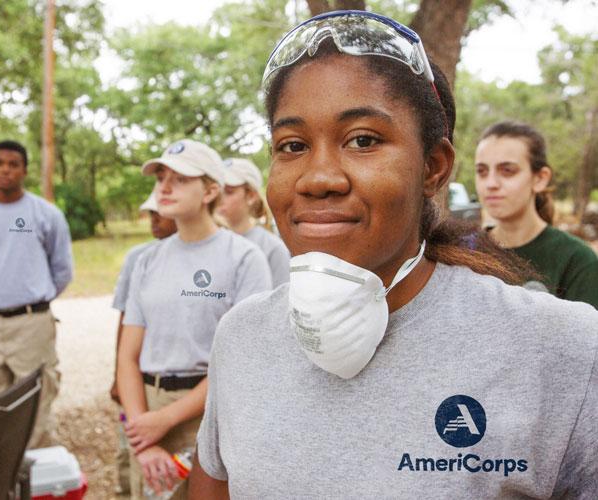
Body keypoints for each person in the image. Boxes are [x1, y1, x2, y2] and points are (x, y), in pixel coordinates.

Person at [190, 11, 597, 499]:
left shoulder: (564, 350)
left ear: (434, 167)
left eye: (363, 140)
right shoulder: (242, 338)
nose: (318, 178)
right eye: (292, 145)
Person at [117, 139, 272, 499]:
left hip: (212, 411)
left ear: (211, 190)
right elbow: (127, 356)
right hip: (149, 408)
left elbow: (241, 362)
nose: (164, 188)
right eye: (160, 178)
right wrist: (143, 439)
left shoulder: (244, 259)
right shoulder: (146, 261)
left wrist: (166, 420)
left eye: (181, 179)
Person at [0, 140, 73, 447]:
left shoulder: (45, 214)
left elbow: (61, 270)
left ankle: (34, 479)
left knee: (36, 399)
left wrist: (32, 297)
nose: (6, 170)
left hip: (31, 323)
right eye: (0, 163)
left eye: (13, 164)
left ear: (24, 170)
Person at [474, 121, 598, 308]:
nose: (491, 183)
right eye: (482, 171)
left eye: (507, 171)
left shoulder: (576, 260)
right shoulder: (466, 250)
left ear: (540, 179)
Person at [110, 192, 177, 495]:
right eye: (150, 215)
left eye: (159, 213)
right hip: (141, 373)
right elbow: (125, 318)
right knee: (132, 449)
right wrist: (117, 374)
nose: (154, 221)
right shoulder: (140, 257)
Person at [216, 158, 290, 286]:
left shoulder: (273, 248)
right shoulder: (205, 241)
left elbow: (281, 301)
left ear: (250, 196)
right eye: (217, 190)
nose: (219, 199)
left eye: (228, 192)